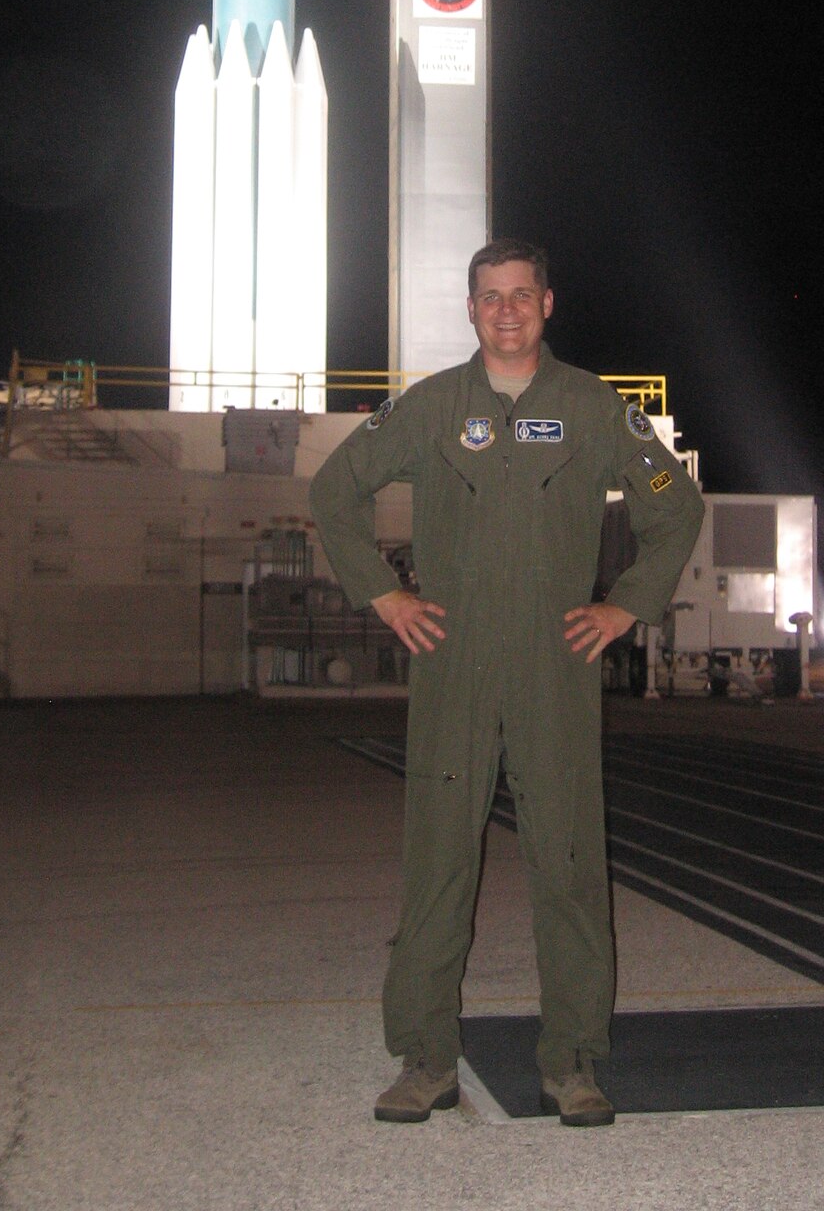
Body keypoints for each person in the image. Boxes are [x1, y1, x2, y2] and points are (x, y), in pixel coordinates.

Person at [309, 239, 704, 1127]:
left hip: (555, 667)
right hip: (452, 665)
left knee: (567, 863)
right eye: (491, 297)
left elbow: (674, 506)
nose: (508, 311)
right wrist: (384, 593)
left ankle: (573, 1063)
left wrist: (625, 607)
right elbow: (336, 491)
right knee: (438, 861)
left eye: (522, 295)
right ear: (472, 309)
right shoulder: (433, 406)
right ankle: (424, 1059)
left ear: (549, 304)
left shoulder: (594, 408)